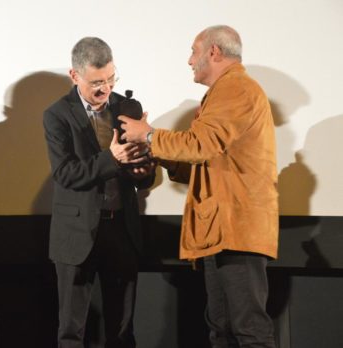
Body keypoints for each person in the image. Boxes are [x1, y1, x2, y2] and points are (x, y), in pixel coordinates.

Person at [119, 25, 278, 347]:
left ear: (214, 52)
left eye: (194, 52)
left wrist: (148, 135)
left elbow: (201, 144)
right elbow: (207, 160)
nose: (190, 61)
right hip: (223, 230)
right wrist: (155, 153)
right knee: (223, 329)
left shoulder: (235, 88)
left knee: (247, 330)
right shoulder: (226, 90)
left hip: (237, 228)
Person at [43, 37, 155, 347]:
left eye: (110, 79)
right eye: (96, 82)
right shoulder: (57, 115)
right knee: (71, 330)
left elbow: (144, 176)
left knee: (122, 328)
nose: (104, 89)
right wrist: (113, 158)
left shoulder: (128, 107)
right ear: (74, 75)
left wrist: (144, 172)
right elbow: (65, 174)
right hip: (76, 231)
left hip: (121, 228)